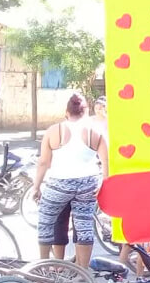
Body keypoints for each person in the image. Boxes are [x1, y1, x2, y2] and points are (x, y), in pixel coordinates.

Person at [33, 93, 108, 267]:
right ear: (86, 112)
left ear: (67, 112)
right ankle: (83, 271)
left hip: (59, 183)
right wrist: (103, 183)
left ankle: (44, 266)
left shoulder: (54, 131)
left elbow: (44, 162)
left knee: (46, 221)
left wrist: (36, 187)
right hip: (88, 183)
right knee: (84, 225)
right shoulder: (95, 132)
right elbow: (106, 160)